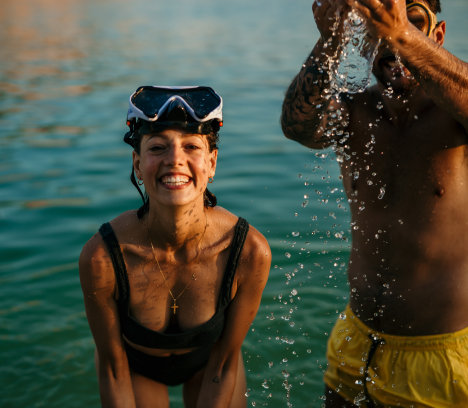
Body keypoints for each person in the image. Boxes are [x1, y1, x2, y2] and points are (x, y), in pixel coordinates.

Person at [281, 0, 468, 407]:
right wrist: (329, 38)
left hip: (442, 356)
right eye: (376, 28)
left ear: (437, 34)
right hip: (356, 342)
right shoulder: (355, 113)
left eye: (412, 18)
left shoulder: (455, 116)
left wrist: (402, 33)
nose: (389, 37)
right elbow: (298, 127)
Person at [79, 86, 271, 407]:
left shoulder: (248, 252)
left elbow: (224, 362)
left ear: (211, 164)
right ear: (138, 165)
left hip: (211, 366)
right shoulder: (103, 257)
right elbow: (113, 370)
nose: (175, 161)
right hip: (134, 368)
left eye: (191, 147)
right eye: (158, 148)